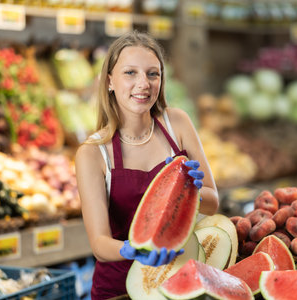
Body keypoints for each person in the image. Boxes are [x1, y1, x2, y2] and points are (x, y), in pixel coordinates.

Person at [75, 30, 219, 299]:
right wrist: (131, 249)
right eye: (130, 73)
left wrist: (192, 193)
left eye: (153, 74)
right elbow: (99, 244)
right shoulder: (92, 153)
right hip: (118, 290)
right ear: (109, 81)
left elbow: (213, 203)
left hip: (177, 280)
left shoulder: (177, 124)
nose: (144, 83)